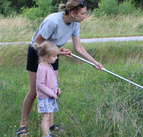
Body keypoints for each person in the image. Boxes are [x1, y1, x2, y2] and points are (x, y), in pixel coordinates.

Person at [16, 0, 104, 136]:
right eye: (83, 13)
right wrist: (55, 52)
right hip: (37, 52)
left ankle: (50, 124)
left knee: (53, 89)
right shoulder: (53, 22)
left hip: (54, 53)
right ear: (73, 13)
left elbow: (78, 47)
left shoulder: (75, 23)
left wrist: (94, 62)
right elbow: (37, 43)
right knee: (34, 91)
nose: (85, 16)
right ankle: (22, 125)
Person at [35, 41, 61, 137]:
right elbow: (40, 85)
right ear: (46, 57)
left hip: (50, 96)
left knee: (49, 116)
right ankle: (45, 135)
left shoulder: (49, 66)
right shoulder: (42, 68)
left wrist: (56, 88)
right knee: (46, 117)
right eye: (54, 56)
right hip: (45, 97)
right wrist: (51, 93)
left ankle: (47, 133)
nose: (56, 58)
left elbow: (50, 81)